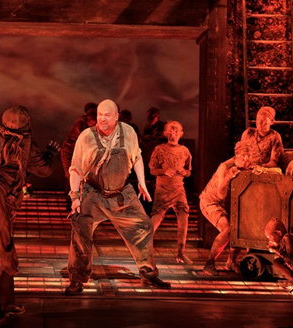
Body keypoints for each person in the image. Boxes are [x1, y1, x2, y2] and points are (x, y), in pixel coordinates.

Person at [0, 105, 59, 326]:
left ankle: (6, 301)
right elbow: (44, 170)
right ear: (27, 125)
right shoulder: (26, 145)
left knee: (4, 247)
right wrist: (50, 154)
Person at [65, 99, 170, 295]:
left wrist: (141, 181)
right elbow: (75, 168)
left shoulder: (128, 132)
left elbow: (136, 156)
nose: (102, 119)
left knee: (144, 227)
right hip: (94, 193)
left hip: (122, 192)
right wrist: (75, 197)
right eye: (99, 115)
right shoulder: (86, 137)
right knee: (80, 229)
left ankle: (149, 274)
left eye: (107, 115)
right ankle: (77, 279)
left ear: (116, 117)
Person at [200, 141, 253, 276]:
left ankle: (231, 261)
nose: (246, 160)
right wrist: (229, 177)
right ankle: (209, 263)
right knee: (227, 229)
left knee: (242, 228)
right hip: (211, 202)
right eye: (243, 156)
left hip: (230, 204)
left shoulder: (246, 164)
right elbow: (220, 194)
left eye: (249, 156)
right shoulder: (225, 167)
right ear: (237, 156)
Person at [149, 121, 193, 265]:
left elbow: (188, 171)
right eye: (170, 131)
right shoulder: (160, 149)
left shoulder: (185, 151)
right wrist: (163, 171)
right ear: (166, 133)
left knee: (183, 221)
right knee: (155, 220)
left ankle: (181, 253)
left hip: (179, 190)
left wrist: (184, 172)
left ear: (181, 134)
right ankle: (145, 252)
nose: (173, 134)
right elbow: (152, 170)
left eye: (176, 132)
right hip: (163, 190)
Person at [60, 102, 97, 210]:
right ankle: (72, 205)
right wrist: (68, 171)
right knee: (72, 181)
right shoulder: (80, 126)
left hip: (88, 159)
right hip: (74, 157)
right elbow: (68, 148)